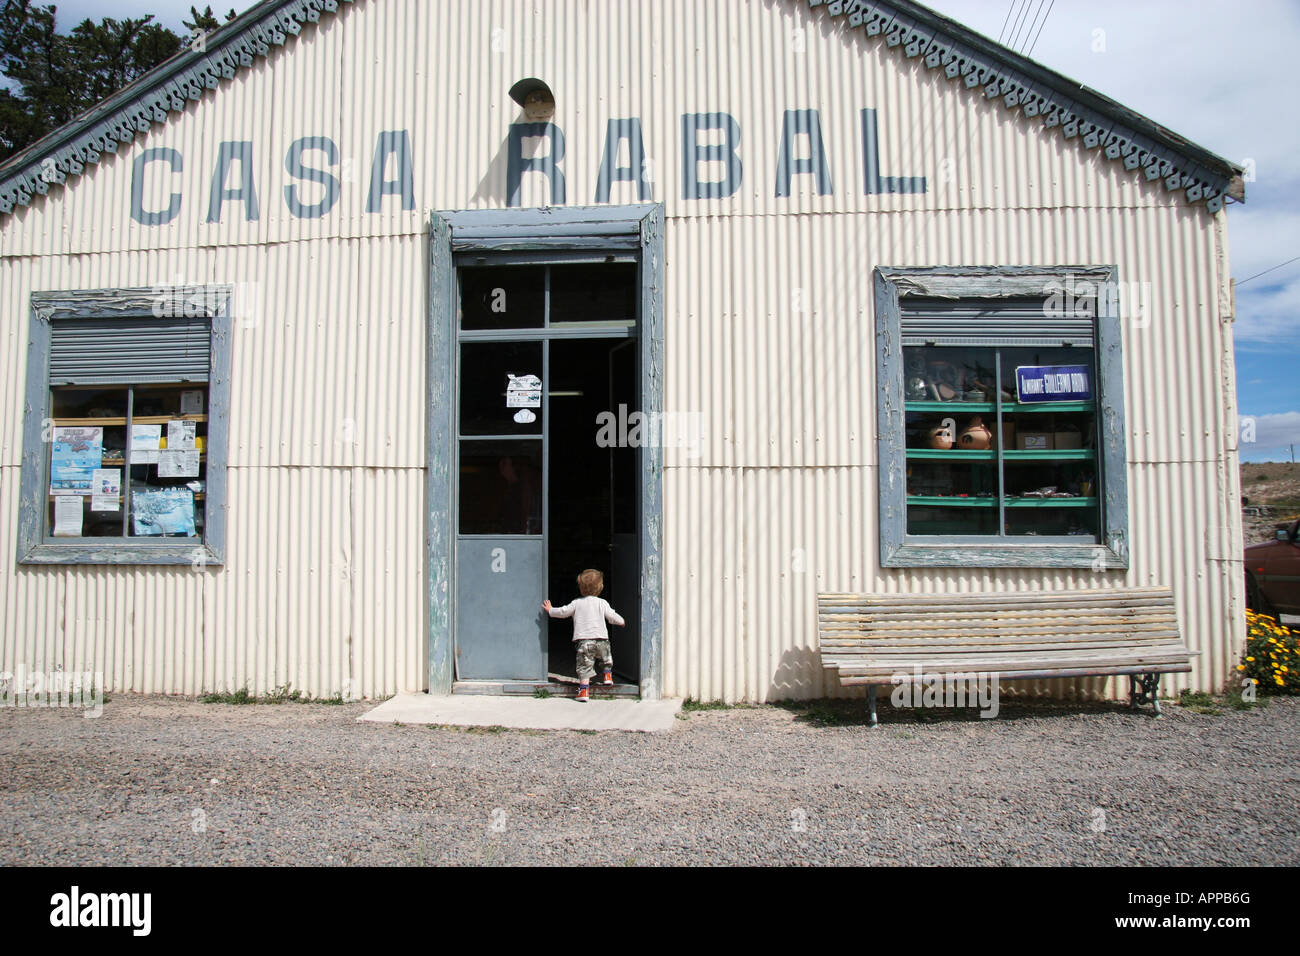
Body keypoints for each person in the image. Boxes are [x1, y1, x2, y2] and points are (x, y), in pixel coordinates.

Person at [542, 569, 625, 702]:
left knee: (584, 667)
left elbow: (563, 612)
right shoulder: (602, 603)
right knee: (606, 659)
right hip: (602, 640)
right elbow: (612, 616)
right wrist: (621, 621)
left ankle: (584, 692)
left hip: (584, 642)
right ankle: (607, 676)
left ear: (580, 587)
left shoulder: (576, 603)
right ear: (600, 587)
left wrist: (550, 610)